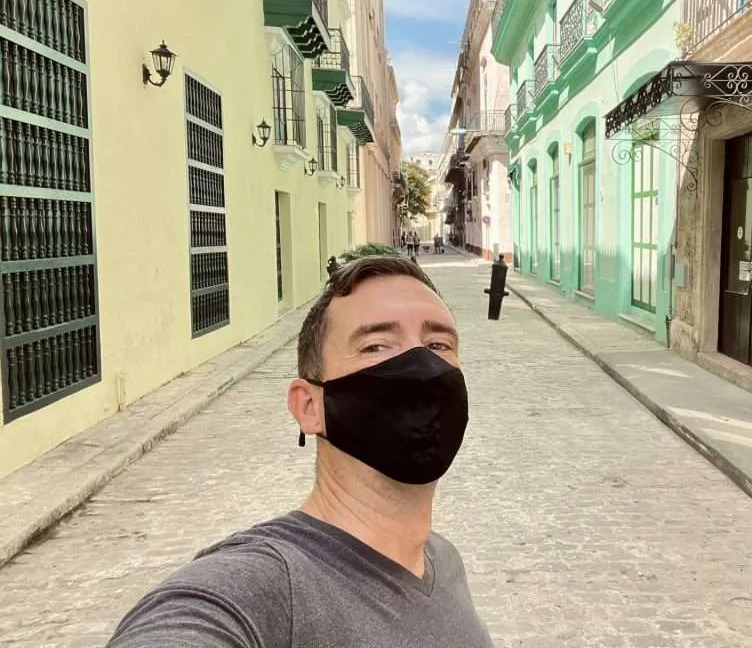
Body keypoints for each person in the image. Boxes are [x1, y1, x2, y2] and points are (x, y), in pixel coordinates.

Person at [108, 256, 493, 647]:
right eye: (376, 345)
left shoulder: (443, 562)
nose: (422, 367)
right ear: (309, 407)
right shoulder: (264, 587)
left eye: (437, 344)